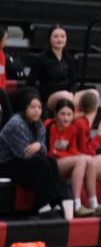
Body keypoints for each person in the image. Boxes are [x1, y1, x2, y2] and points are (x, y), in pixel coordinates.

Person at [0, 88, 74, 219]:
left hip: (24, 162)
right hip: (5, 164)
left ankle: (54, 201)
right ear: (24, 107)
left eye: (39, 107)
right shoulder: (15, 123)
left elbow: (43, 150)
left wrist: (38, 145)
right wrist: (38, 148)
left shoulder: (39, 124)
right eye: (33, 107)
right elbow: (23, 153)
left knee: (50, 161)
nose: (37, 110)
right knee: (41, 162)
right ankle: (45, 204)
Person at [45, 98, 101, 217]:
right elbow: (51, 152)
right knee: (83, 159)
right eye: (62, 114)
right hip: (50, 164)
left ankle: (93, 203)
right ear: (55, 114)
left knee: (89, 159)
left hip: (64, 162)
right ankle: (77, 205)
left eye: (69, 114)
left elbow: (73, 150)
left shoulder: (72, 129)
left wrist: (77, 156)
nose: (66, 118)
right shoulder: (49, 125)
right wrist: (73, 156)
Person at [29, 25, 77, 106]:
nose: (60, 39)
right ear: (49, 39)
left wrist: (72, 93)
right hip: (50, 97)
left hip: (68, 95)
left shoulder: (70, 59)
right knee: (64, 95)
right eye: (56, 36)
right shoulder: (42, 58)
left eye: (62, 36)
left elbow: (73, 82)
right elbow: (30, 82)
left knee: (93, 94)